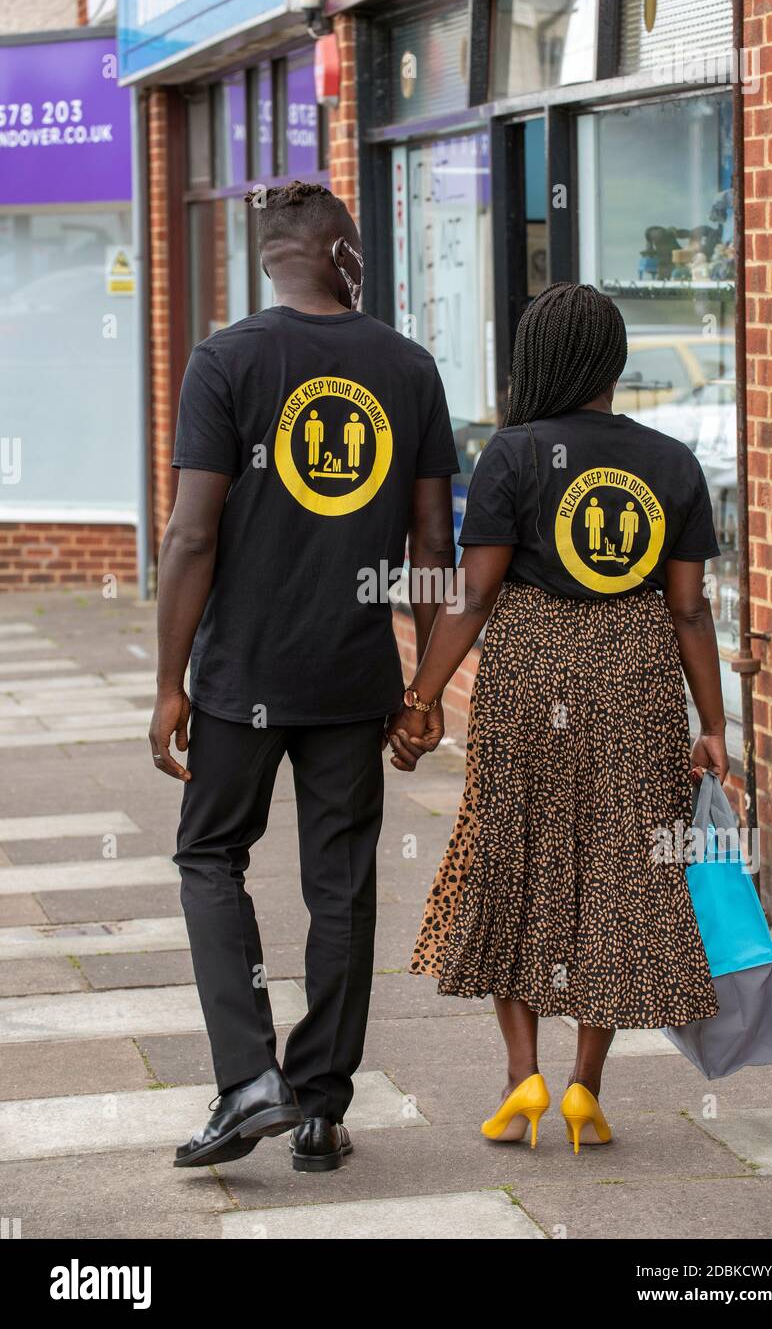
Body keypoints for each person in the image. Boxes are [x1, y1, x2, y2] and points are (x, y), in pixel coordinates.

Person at [149, 181, 458, 1172]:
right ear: (339, 254)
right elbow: (433, 544)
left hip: (242, 674)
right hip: (352, 676)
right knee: (343, 888)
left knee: (209, 858)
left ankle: (248, 1079)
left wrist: (170, 681)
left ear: (272, 258)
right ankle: (320, 1105)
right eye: (358, 249)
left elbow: (192, 533)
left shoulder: (227, 359)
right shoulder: (408, 369)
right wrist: (423, 691)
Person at [387, 283, 727, 1154]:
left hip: (531, 672)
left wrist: (421, 700)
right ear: (612, 364)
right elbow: (691, 611)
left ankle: (520, 1078)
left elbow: (471, 595)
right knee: (620, 870)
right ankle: (587, 1089)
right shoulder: (672, 461)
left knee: (517, 857)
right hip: (635, 678)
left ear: (537, 360)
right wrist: (713, 723)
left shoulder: (514, 454)